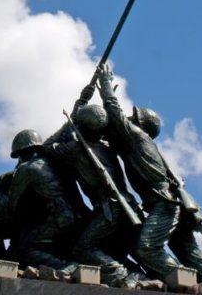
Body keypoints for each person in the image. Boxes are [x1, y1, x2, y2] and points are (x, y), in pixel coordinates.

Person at [96, 64, 202, 294]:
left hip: (165, 204)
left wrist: (106, 86)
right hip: (167, 203)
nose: (129, 118)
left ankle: (184, 280)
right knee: (192, 254)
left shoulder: (138, 137)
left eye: (134, 118)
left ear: (141, 125)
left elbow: (115, 114)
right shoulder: (138, 145)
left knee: (147, 249)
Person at [44, 85, 144, 287]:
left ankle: (124, 274)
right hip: (128, 206)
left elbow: (47, 147)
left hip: (110, 210)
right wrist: (81, 104)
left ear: (81, 126)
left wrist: (73, 118)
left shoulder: (76, 149)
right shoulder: (108, 149)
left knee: (82, 249)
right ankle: (136, 273)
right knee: (112, 250)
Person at [7, 129, 80, 272]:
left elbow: (12, 204)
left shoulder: (26, 169)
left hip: (58, 218)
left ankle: (66, 267)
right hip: (71, 214)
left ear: (21, 152)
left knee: (26, 248)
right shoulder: (52, 162)